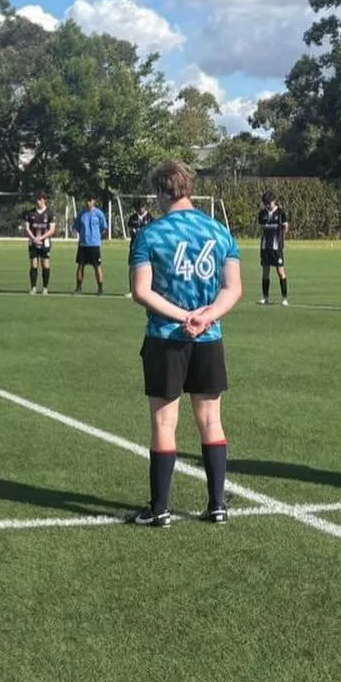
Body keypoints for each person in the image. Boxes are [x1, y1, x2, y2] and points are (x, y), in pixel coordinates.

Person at [128, 160, 242, 527]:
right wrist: (206, 317)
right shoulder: (220, 232)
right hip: (209, 338)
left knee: (164, 422)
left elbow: (140, 291)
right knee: (211, 419)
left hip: (166, 338)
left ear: (162, 191)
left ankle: (160, 509)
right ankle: (217, 504)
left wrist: (182, 317)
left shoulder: (149, 234)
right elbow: (233, 288)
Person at [257, 190, 289, 306]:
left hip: (277, 248)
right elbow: (261, 228)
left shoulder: (281, 213)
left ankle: (284, 298)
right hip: (265, 247)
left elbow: (285, 227)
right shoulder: (262, 213)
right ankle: (265, 298)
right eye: (265, 203)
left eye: (269, 203)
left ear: (273, 201)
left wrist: (281, 240)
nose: (267, 205)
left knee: (280, 272)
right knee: (265, 272)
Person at [74, 194, 108, 295]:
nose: (88, 202)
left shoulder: (99, 214)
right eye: (86, 200)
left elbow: (104, 228)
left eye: (90, 200)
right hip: (83, 244)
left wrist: (97, 237)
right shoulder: (81, 214)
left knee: (97, 266)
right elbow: (77, 227)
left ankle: (100, 288)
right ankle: (79, 287)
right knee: (80, 266)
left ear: (94, 201)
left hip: (94, 245)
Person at [25, 192, 56, 294]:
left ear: (44, 200)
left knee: (45, 265)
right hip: (33, 242)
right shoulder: (30, 213)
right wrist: (34, 238)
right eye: (36, 199)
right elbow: (27, 228)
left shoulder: (49, 213)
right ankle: (33, 288)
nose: (37, 201)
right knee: (33, 265)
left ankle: (45, 288)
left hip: (45, 243)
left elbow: (52, 230)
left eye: (39, 199)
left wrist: (41, 238)